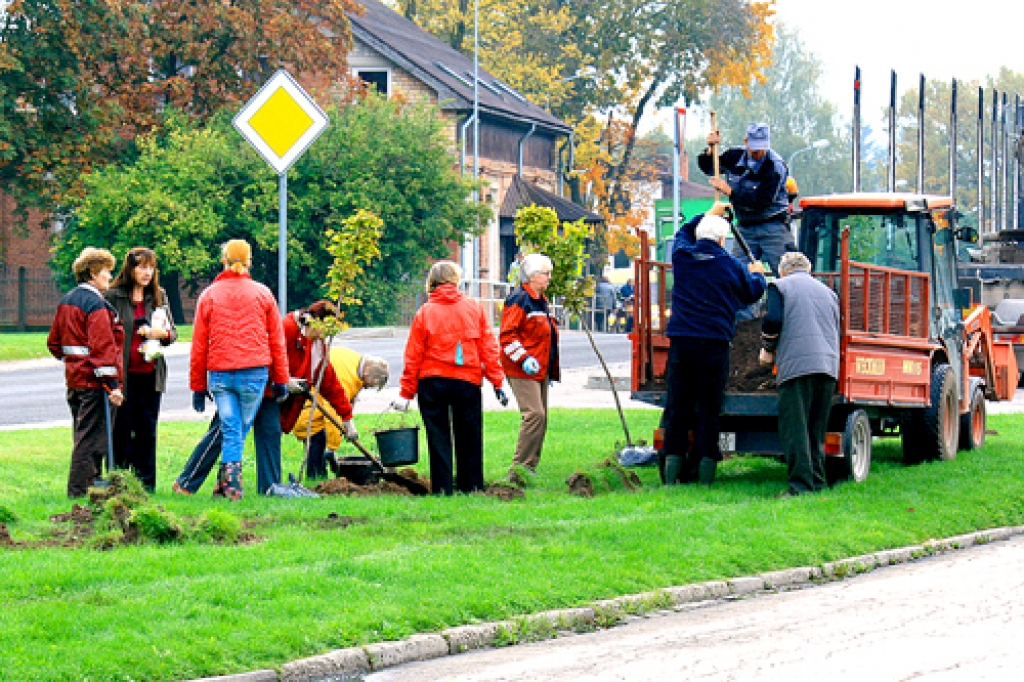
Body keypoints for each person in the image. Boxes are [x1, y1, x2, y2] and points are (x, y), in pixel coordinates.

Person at [174, 301, 356, 495]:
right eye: (324, 330)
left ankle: (270, 489)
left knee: (271, 433)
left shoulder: (317, 346)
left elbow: (329, 383)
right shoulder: (286, 328)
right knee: (222, 434)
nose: (325, 337)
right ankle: (185, 484)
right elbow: (261, 356)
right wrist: (283, 381)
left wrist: (347, 418)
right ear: (314, 321)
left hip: (269, 396)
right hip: (250, 386)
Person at [661, 204, 767, 486]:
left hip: (682, 341)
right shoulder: (730, 266)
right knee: (709, 409)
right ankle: (705, 471)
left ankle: (672, 472)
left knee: (678, 407)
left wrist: (710, 211)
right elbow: (752, 292)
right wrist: (757, 273)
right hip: (715, 343)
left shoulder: (682, 256)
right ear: (723, 240)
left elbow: (683, 231)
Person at [392, 261, 506, 495]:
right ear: (456, 280)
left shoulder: (425, 312)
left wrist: (406, 393)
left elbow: (413, 355)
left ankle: (442, 489)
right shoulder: (474, 308)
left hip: (432, 382)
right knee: (470, 436)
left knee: (438, 437)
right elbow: (488, 348)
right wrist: (498, 382)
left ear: (432, 282)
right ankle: (472, 486)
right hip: (467, 381)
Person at [188, 239, 288, 500]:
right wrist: (281, 379)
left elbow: (199, 345)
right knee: (236, 431)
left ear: (223, 260)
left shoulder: (209, 295)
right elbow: (276, 341)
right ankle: (231, 489)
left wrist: (198, 387)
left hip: (220, 374)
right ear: (250, 261)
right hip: (254, 373)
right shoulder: (263, 293)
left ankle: (227, 489)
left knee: (232, 429)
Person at [760, 251, 840, 497]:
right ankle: (817, 482)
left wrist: (768, 348)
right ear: (808, 269)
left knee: (795, 429)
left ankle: (800, 486)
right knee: (816, 429)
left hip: (797, 367)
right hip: (827, 366)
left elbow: (772, 320)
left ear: (783, 270)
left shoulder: (779, 286)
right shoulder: (828, 293)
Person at [47, 247, 125, 497]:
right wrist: (113, 386)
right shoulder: (96, 305)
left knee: (83, 434)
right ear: (93, 273)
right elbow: (103, 348)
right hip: (94, 384)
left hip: (75, 381)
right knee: (91, 439)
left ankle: (91, 485)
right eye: (106, 271)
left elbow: (54, 343)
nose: (110, 277)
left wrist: (73, 362)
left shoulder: (66, 301)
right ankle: (80, 491)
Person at [103, 247, 177, 492]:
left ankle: (147, 485)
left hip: (150, 374)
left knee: (147, 431)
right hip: (123, 376)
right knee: (121, 430)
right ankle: (121, 484)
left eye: (150, 267)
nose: (147, 273)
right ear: (130, 269)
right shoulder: (113, 295)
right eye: (141, 267)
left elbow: (172, 333)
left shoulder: (158, 295)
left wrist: (161, 334)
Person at [698, 122, 796, 277]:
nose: (758, 152)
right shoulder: (734, 156)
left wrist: (730, 191)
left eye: (761, 148)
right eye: (754, 148)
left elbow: (761, 203)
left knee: (788, 273)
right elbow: (710, 167)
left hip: (773, 227)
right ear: (746, 142)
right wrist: (711, 149)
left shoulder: (775, 167)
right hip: (745, 228)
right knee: (738, 275)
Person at [500, 253, 560, 475]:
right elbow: (507, 337)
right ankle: (519, 469)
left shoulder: (540, 301)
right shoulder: (519, 300)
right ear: (533, 276)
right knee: (535, 415)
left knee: (542, 417)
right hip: (522, 370)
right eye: (546, 274)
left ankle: (529, 468)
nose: (549, 278)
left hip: (540, 369)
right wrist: (524, 359)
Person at [291, 347, 390, 478]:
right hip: (306, 408)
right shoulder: (346, 378)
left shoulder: (353, 360)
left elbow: (347, 401)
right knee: (318, 440)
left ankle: (318, 477)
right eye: (369, 384)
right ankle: (315, 480)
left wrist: (347, 424)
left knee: (318, 442)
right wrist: (332, 448)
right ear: (367, 371)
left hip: (312, 404)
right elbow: (334, 412)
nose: (366, 387)